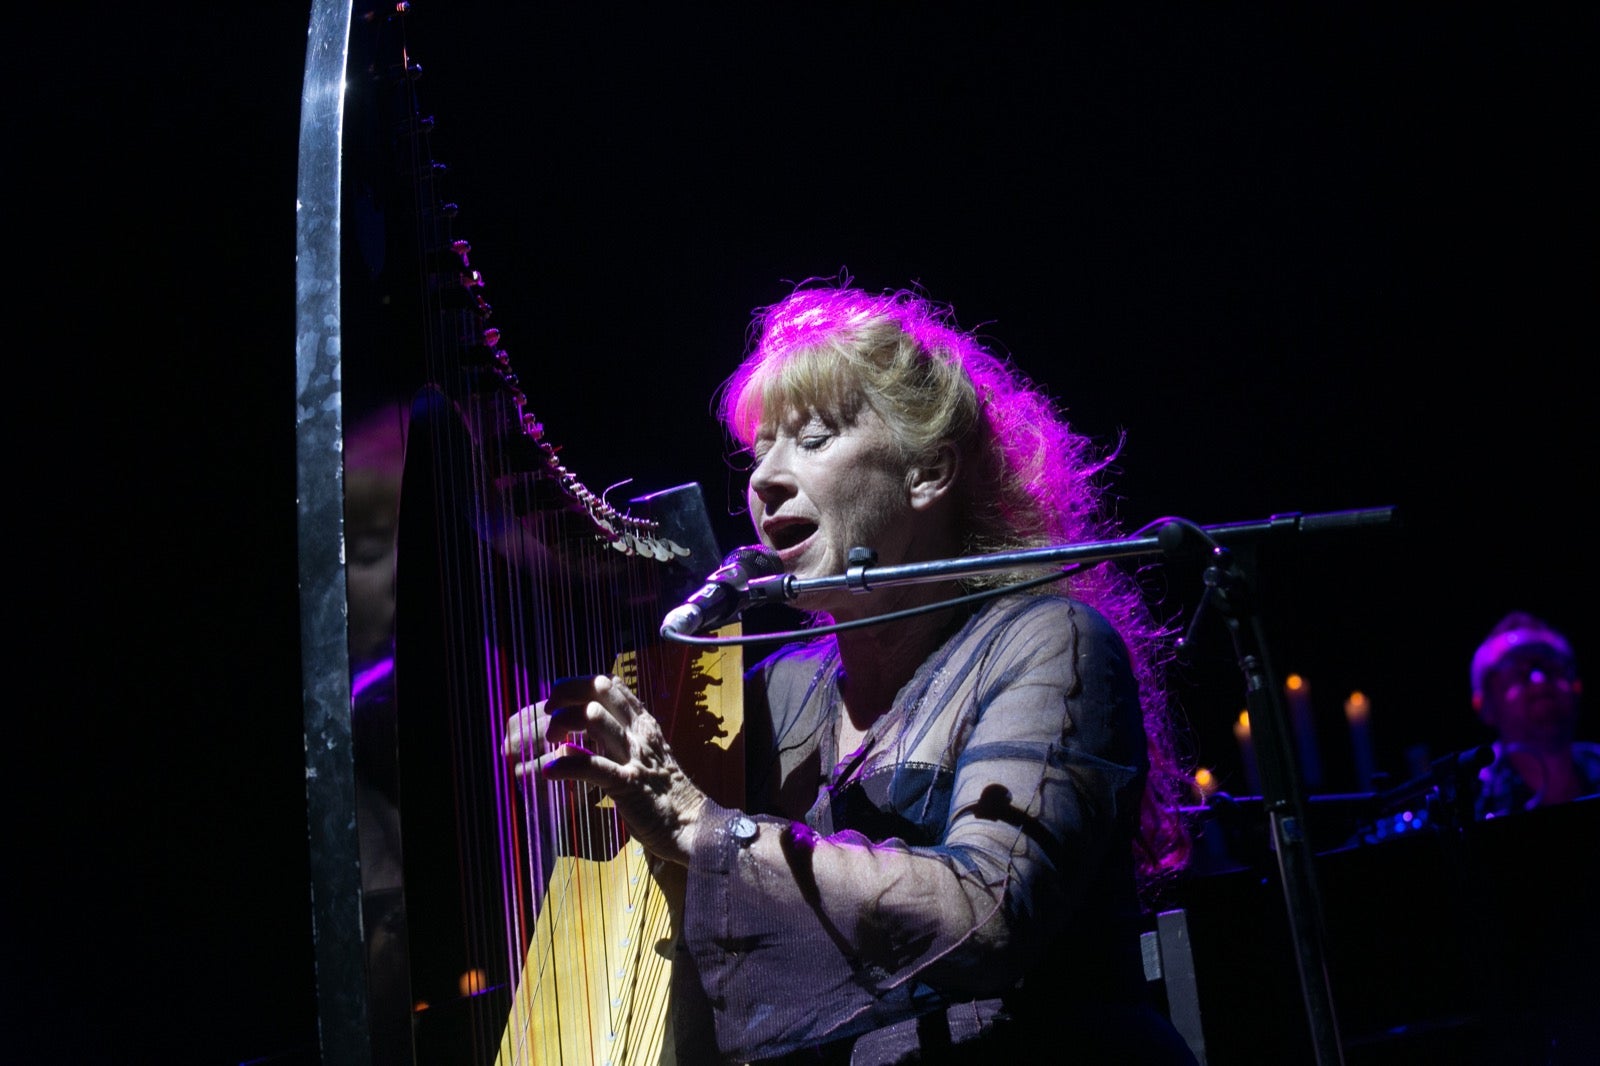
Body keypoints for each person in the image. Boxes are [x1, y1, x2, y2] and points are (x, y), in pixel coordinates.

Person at [504, 281, 1198, 1063]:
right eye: (758, 448)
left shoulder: (1051, 643)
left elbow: (991, 914)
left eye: (812, 437)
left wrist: (701, 826)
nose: (763, 479)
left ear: (928, 472)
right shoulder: (772, 696)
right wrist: (608, 796)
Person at [1469, 610, 1599, 820]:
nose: (1539, 680)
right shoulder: (1468, 803)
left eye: (1552, 667)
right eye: (1517, 671)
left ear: (1577, 687)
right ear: (1485, 705)